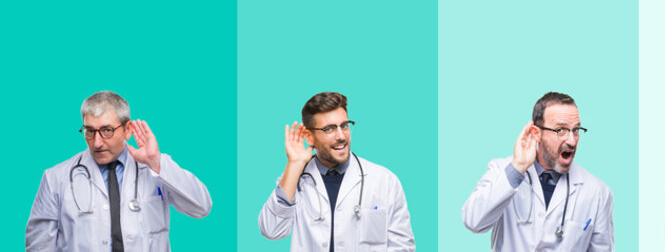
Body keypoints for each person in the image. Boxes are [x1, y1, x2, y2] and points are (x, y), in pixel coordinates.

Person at [26, 91, 212, 251]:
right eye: (89, 131)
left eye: (107, 130)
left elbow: (201, 207)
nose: (97, 142)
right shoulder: (55, 178)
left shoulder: (155, 169)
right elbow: (39, 246)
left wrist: (156, 162)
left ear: (127, 129)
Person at [258, 92, 414, 251]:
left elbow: (402, 246)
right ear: (309, 137)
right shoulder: (294, 181)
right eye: (329, 129)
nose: (341, 136)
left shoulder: (384, 180)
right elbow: (271, 230)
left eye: (344, 125)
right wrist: (294, 164)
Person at [463, 92, 614, 251]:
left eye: (575, 130)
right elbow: (473, 221)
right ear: (536, 133)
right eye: (560, 130)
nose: (571, 141)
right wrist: (517, 169)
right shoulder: (502, 171)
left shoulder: (598, 192)